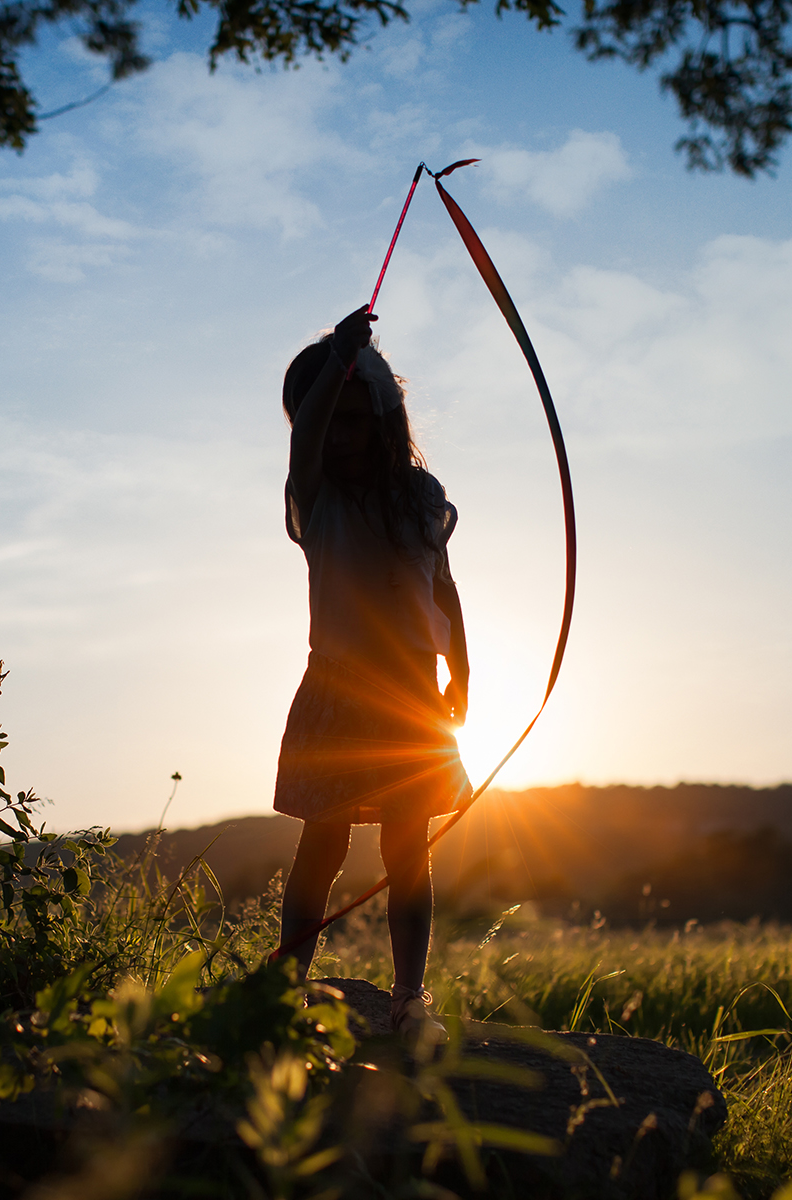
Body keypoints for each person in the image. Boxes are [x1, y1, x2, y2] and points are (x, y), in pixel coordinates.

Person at [272, 306, 471, 1048]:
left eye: (361, 418)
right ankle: (286, 988)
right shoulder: (316, 501)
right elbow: (306, 440)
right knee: (321, 847)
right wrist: (336, 362)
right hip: (339, 691)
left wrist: (463, 662)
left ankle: (410, 996)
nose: (344, 435)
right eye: (332, 421)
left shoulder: (420, 498)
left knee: (406, 850)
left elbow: (441, 584)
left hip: (414, 697)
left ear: (387, 420)